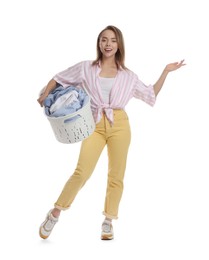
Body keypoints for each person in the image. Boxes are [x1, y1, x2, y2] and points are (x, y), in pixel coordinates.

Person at [37, 25, 186, 240]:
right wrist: (45, 95)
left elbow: (150, 94)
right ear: (99, 43)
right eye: (104, 40)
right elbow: (59, 77)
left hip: (120, 124)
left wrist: (165, 71)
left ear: (119, 45)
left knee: (116, 176)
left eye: (113, 40)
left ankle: (108, 220)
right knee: (82, 172)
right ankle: (55, 212)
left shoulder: (128, 76)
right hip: (93, 123)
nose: (108, 44)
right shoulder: (86, 68)